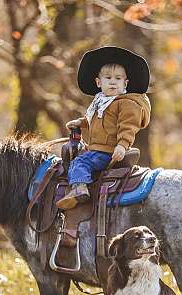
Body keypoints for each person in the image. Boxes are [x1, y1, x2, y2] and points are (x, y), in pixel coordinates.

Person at [56, 46, 151, 210]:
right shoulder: (100, 102)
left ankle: (79, 188)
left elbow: (128, 126)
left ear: (125, 83)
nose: (113, 82)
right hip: (98, 148)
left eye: (118, 78)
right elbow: (96, 121)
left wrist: (122, 145)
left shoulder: (126, 103)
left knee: (80, 162)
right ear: (99, 83)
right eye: (108, 78)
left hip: (108, 152)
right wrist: (81, 123)